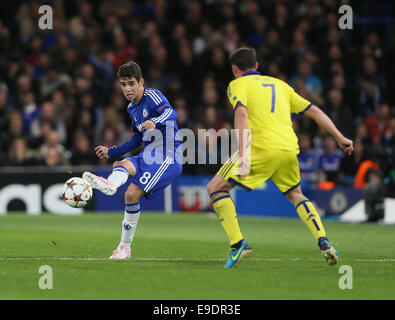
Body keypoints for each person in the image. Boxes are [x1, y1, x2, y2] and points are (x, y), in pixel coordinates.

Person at [207, 48, 353, 268]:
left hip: (260, 148)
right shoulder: (281, 86)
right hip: (287, 149)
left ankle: (238, 245)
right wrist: (340, 137)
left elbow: (241, 113)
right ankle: (324, 241)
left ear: (235, 69)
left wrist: (244, 155)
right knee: (296, 194)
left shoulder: (237, 85)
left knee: (215, 188)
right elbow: (314, 111)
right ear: (256, 66)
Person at [82, 61, 182, 259]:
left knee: (131, 194)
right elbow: (137, 138)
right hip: (149, 154)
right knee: (120, 165)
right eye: (123, 84)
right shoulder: (131, 108)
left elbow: (172, 112)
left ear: (141, 82)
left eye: (131, 84)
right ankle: (111, 184)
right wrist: (112, 152)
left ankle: (124, 248)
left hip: (168, 155)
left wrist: (156, 121)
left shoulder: (152, 96)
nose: (127, 89)